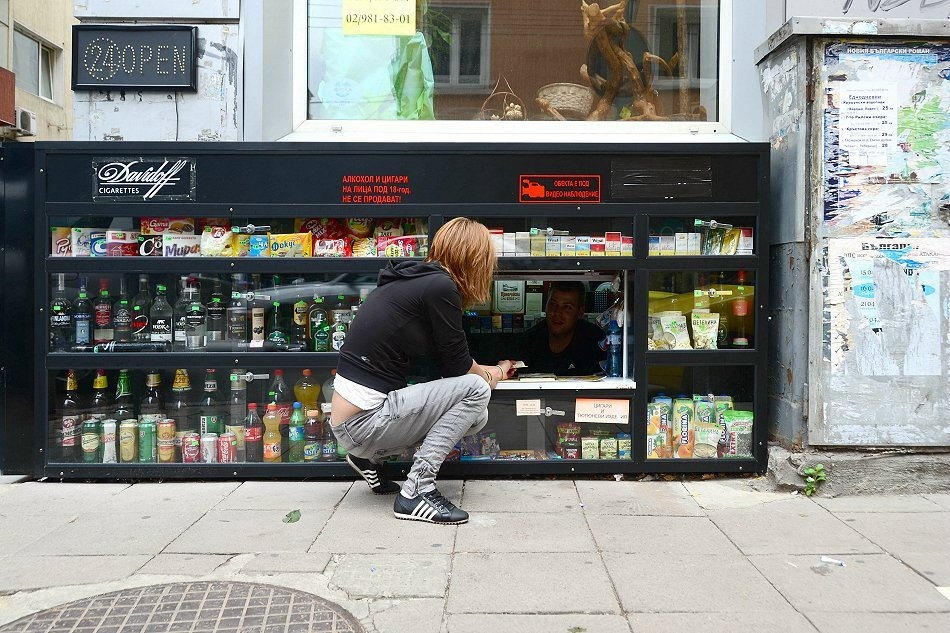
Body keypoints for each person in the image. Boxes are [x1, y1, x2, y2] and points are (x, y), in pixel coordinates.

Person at [331, 217, 517, 525]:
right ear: (474, 259)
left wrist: (483, 369)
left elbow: (449, 363)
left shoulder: (416, 281)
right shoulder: (440, 286)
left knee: (477, 413)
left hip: (352, 423)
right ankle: (416, 491)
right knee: (477, 392)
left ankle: (369, 458)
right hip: (362, 424)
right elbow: (461, 370)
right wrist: (495, 373)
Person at [520, 281, 605, 376]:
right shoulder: (529, 340)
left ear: (580, 312)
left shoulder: (593, 340)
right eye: (553, 304)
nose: (557, 313)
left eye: (567, 307)